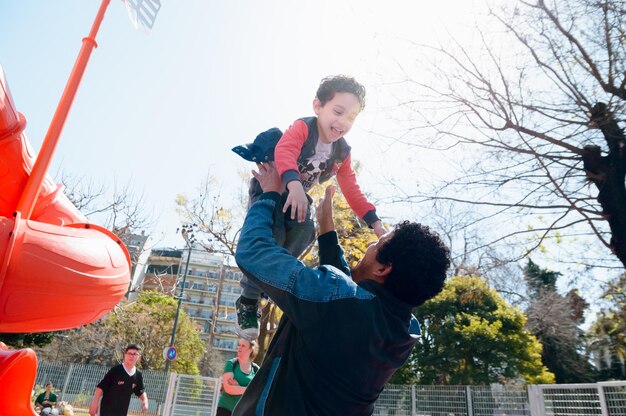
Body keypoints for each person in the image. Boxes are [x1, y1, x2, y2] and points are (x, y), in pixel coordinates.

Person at [232, 162, 450, 415]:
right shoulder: (406, 332)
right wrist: (327, 227)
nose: (370, 245)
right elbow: (346, 303)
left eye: (377, 244)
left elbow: (253, 252)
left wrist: (268, 194)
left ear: (383, 269)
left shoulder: (338, 302)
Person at [232, 75, 386, 340]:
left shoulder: (341, 153)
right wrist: (292, 184)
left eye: (351, 117)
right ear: (318, 107)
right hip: (276, 188)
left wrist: (376, 223)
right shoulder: (304, 128)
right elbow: (285, 152)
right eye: (338, 112)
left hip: (297, 196)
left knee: (304, 231)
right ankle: (247, 299)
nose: (343, 123)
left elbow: (351, 188)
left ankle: (269, 277)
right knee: (274, 235)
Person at [88, 344, 149, 416]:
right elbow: (100, 387)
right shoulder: (116, 370)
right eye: (129, 353)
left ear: (139, 357)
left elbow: (140, 390)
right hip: (105, 410)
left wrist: (145, 400)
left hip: (122, 412)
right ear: (125, 355)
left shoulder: (138, 374)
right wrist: (94, 404)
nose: (131, 356)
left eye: (135, 354)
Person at [216, 338, 260, 416]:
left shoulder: (256, 369)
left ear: (251, 349)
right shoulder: (231, 363)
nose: (239, 347)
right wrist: (249, 389)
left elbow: (258, 393)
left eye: (243, 346)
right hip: (225, 410)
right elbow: (228, 388)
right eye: (239, 345)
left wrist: (238, 387)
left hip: (244, 413)